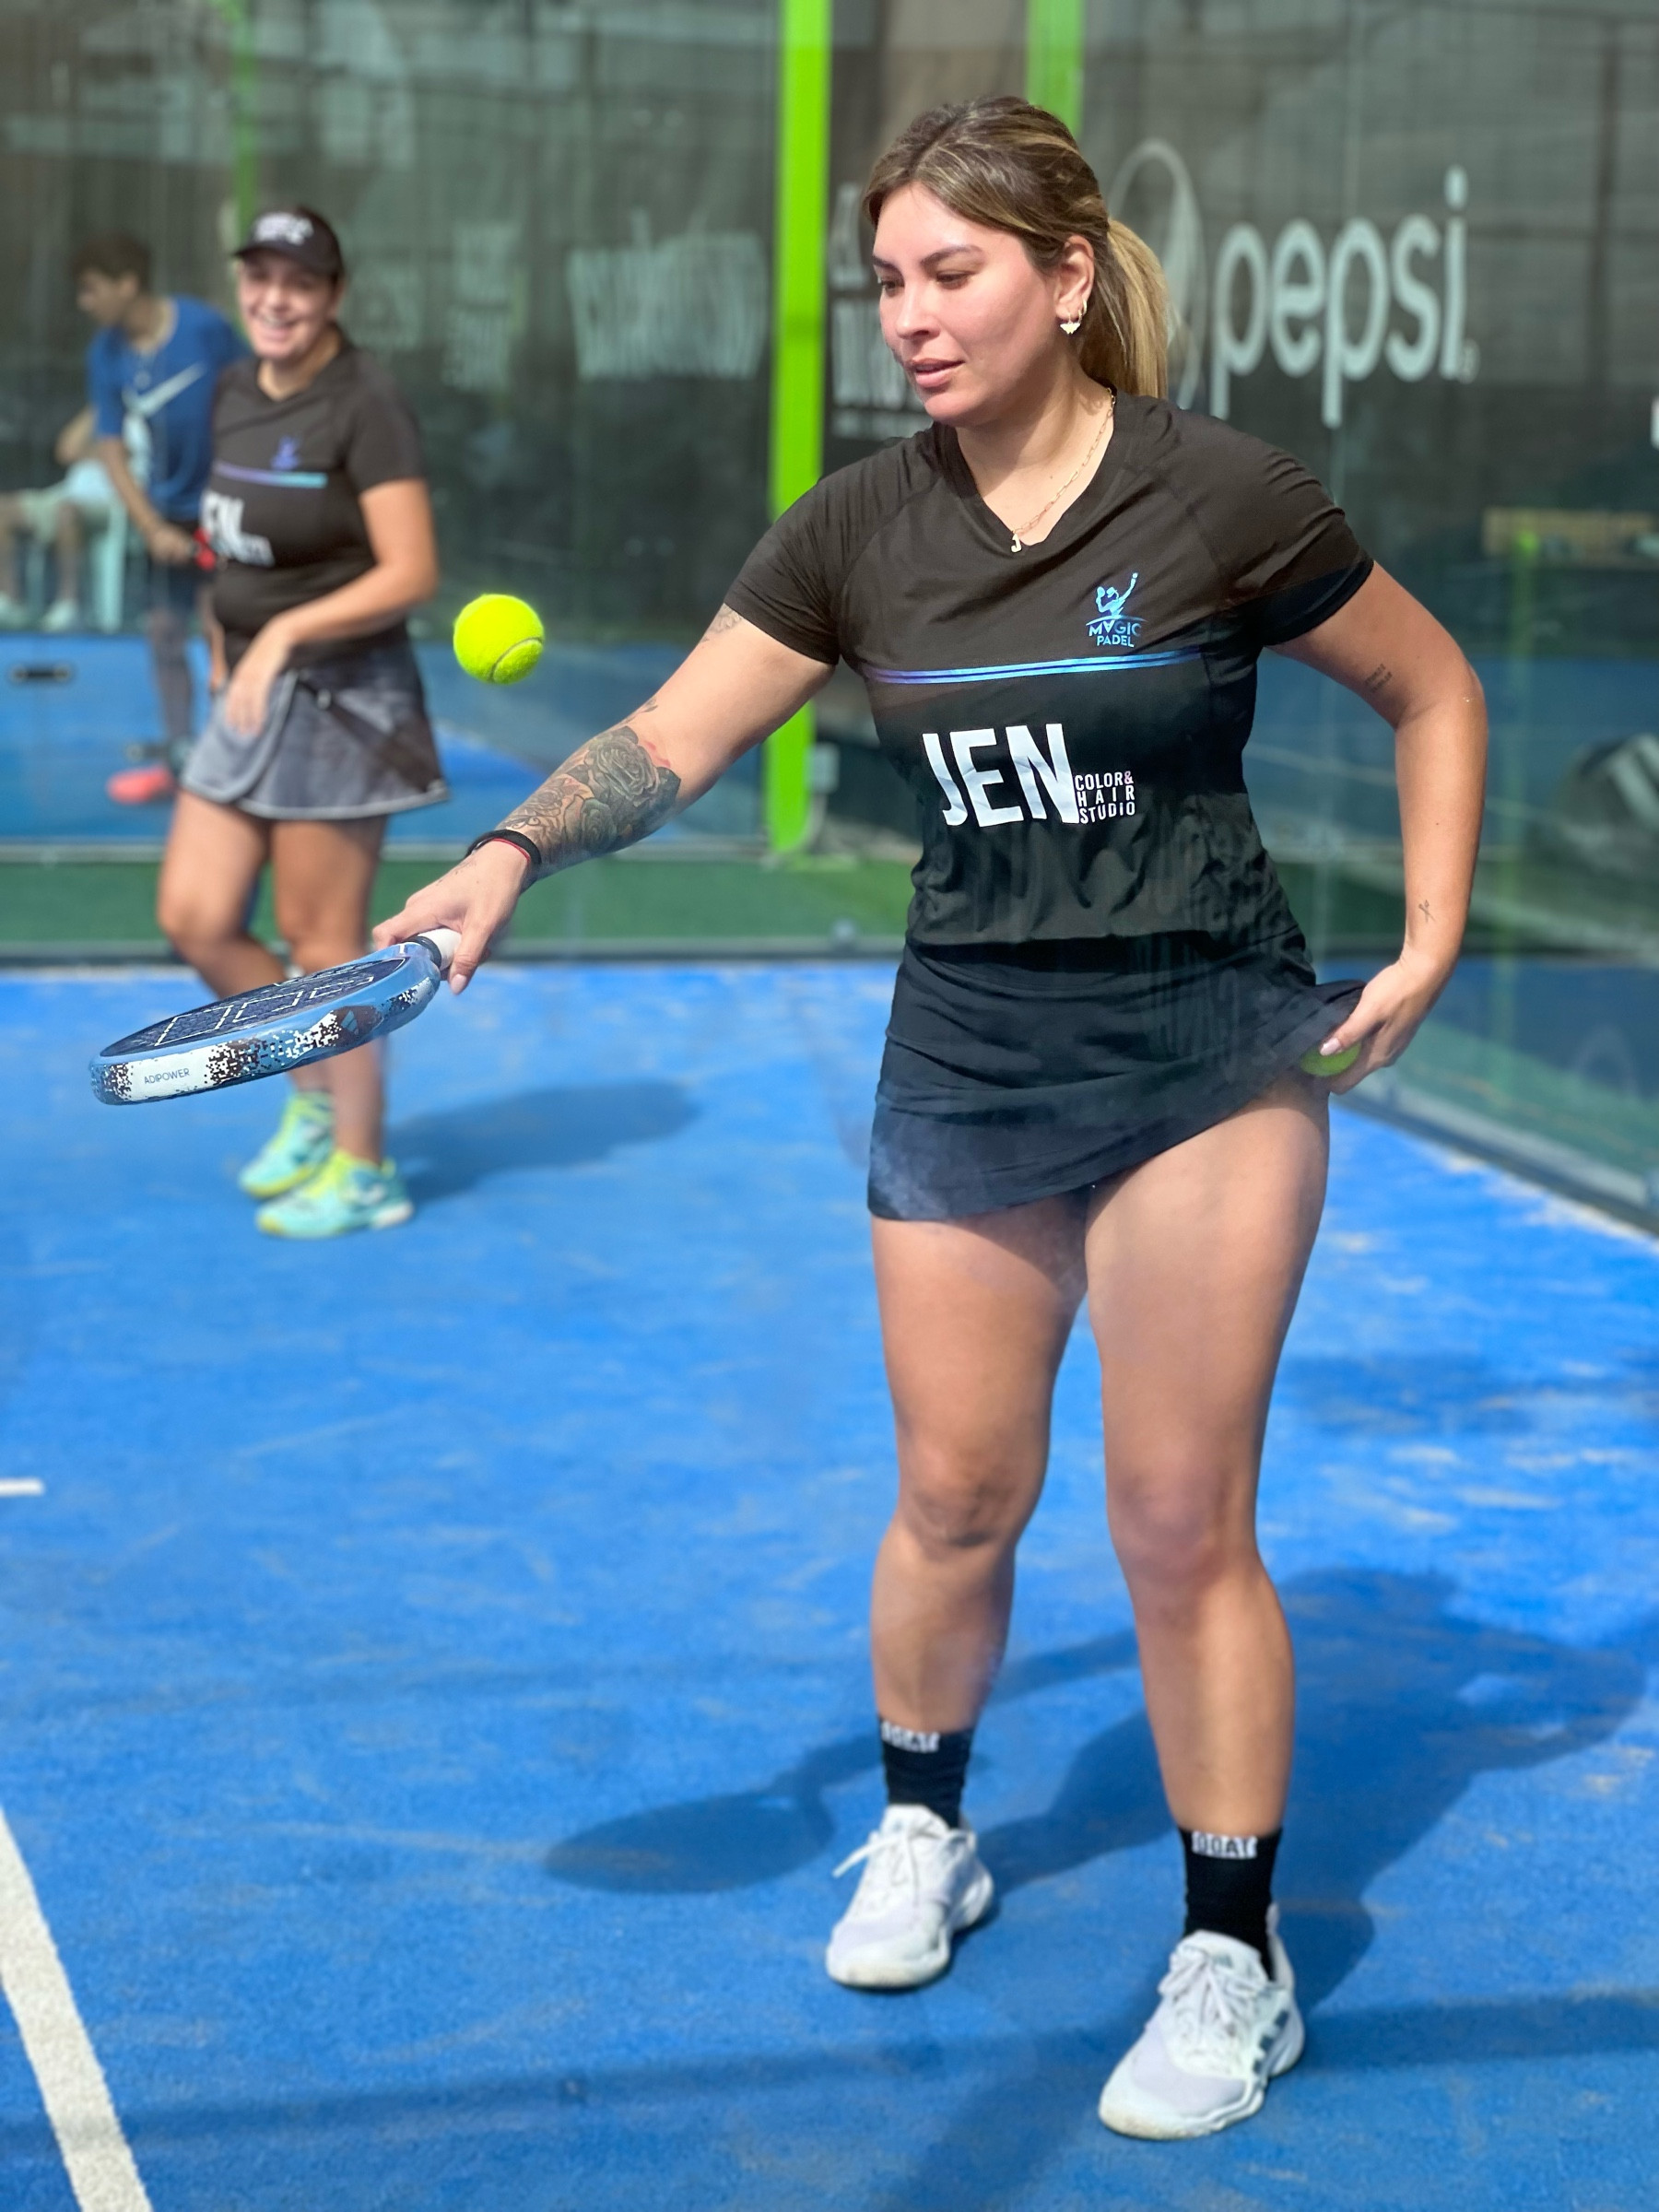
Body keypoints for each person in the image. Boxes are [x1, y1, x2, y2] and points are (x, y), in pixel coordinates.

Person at [376, 98, 1487, 2139]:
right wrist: (508, 854)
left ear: (1064, 277)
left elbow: (1431, 687)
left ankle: (1232, 1956)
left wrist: (1428, 933)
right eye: (885, 280)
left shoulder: (1222, 497)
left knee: (1176, 1519)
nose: (909, 314)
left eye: (949, 273)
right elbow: (672, 735)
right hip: (971, 1058)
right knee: (959, 1494)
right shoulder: (854, 531)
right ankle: (924, 1827)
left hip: (1207, 1058)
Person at [157, 205, 445, 1239]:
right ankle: (315, 1094)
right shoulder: (234, 389)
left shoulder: (366, 402)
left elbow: (412, 570)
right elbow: (230, 539)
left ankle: (365, 1168)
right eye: (261, 277)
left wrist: (283, 634)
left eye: (300, 282)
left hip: (345, 700)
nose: (275, 299)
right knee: (195, 915)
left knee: (323, 944)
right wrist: (227, 632)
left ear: (333, 296)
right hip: (248, 694)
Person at [73, 230, 245, 802]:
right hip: (165, 518)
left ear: (127, 284)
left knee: (221, 635)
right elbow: (110, 447)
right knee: (163, 634)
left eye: (91, 289)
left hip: (225, 509)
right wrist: (151, 526)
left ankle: (230, 766)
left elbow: (254, 403)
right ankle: (178, 761)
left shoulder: (204, 328)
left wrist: (235, 499)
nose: (84, 302)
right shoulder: (105, 353)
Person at [0, 406, 120, 631]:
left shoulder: (150, 418)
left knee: (67, 512)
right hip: (67, 494)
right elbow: (67, 449)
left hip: (111, 504)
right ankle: (9, 601)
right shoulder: (105, 408)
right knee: (3, 509)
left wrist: (102, 452)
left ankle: (68, 605)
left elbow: (120, 455)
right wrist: (103, 403)